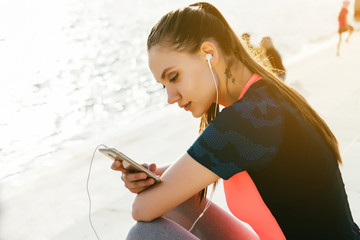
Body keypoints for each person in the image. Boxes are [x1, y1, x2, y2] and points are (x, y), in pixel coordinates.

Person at [112, 2, 360, 239]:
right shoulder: (264, 102)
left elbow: (141, 210)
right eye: (163, 85)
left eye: (174, 77)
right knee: (178, 200)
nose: (170, 97)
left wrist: (157, 188)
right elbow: (190, 177)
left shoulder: (251, 119)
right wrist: (150, 177)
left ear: (209, 53)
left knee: (146, 233)